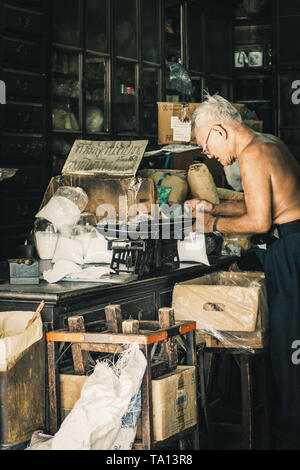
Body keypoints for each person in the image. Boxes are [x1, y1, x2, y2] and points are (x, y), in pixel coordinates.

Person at [185, 93, 300, 450]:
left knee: (289, 354)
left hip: (290, 253)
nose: (209, 154)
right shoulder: (268, 143)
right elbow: (258, 200)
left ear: (220, 130)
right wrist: (215, 205)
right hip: (290, 248)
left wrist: (212, 224)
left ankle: (291, 438)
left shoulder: (251, 153)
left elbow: (260, 219)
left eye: (205, 144)